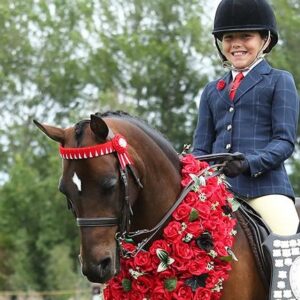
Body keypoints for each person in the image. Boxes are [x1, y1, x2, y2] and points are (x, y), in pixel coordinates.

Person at [192, 0, 300, 297]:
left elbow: (284, 141)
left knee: (288, 240)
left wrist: (249, 163)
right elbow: (200, 147)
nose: (236, 45)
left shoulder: (280, 81)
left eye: (246, 37)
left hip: (265, 189)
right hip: (217, 192)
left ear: (264, 40)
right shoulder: (211, 91)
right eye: (229, 38)